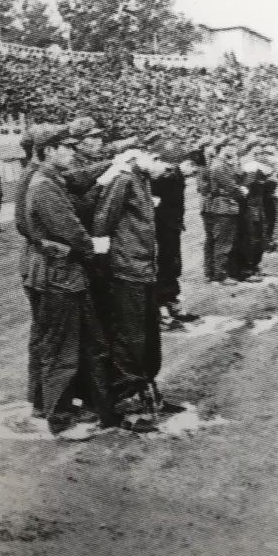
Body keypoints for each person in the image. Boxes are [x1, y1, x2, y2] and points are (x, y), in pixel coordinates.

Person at [20, 126, 115, 439]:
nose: (72, 153)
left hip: (59, 273)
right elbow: (70, 229)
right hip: (57, 275)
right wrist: (93, 246)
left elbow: (77, 183)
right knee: (62, 348)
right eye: (66, 148)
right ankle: (58, 416)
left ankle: (54, 406)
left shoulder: (50, 179)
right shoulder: (44, 185)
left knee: (63, 342)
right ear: (49, 151)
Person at [91, 146, 178, 429]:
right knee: (130, 337)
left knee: (147, 334)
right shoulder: (124, 180)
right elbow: (103, 221)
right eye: (154, 157)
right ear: (133, 159)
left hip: (142, 268)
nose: (159, 163)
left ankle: (148, 394)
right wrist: (107, 262)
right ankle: (127, 402)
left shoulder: (141, 180)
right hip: (127, 269)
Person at [151, 145, 199, 328]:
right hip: (162, 229)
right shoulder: (167, 177)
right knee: (164, 267)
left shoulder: (175, 176)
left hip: (170, 227)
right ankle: (162, 309)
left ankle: (171, 304)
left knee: (172, 265)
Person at [200, 143, 246, 286]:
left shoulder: (221, 164)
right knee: (223, 242)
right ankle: (220, 274)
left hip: (220, 206)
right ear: (222, 150)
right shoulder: (219, 166)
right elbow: (232, 185)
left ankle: (211, 272)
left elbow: (240, 175)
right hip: (223, 207)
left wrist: (236, 161)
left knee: (215, 241)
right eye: (229, 148)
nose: (233, 150)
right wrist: (242, 191)